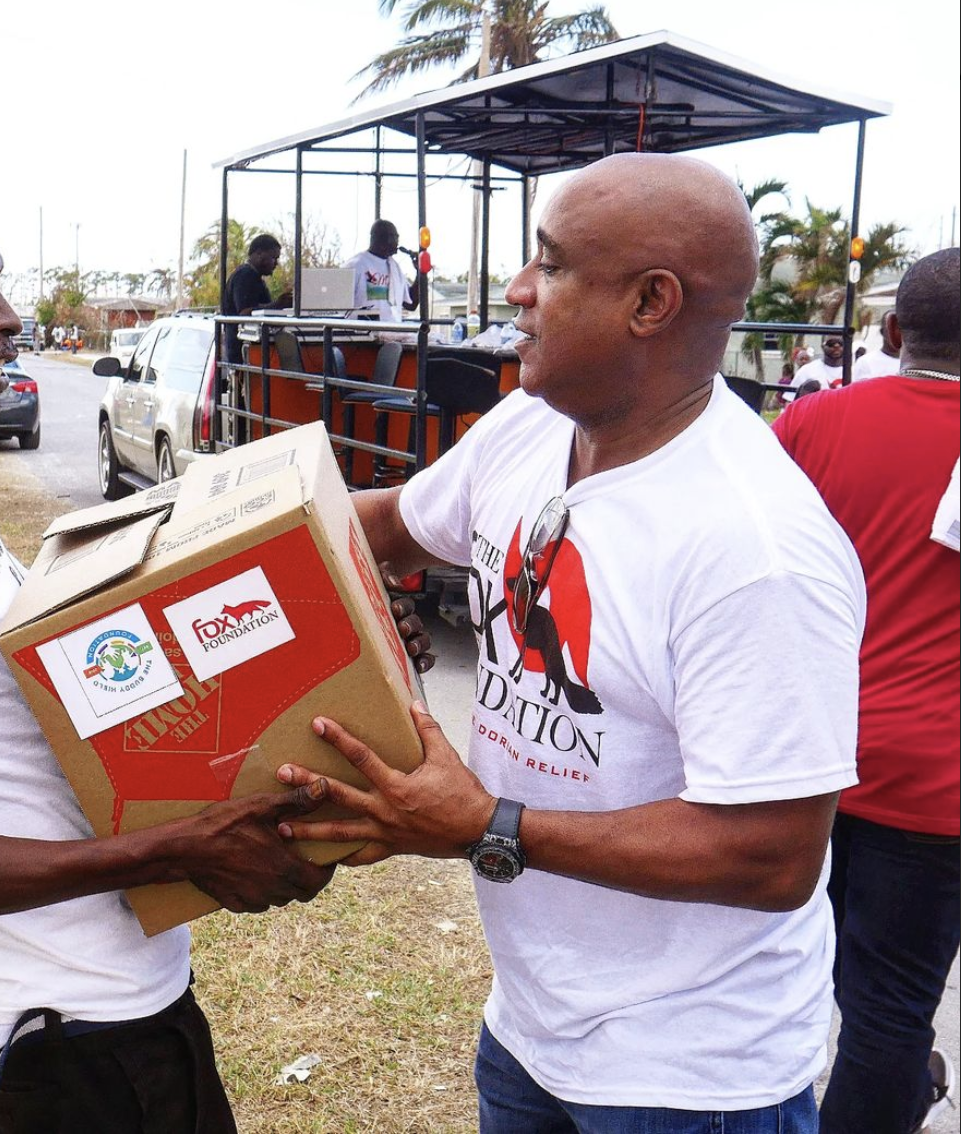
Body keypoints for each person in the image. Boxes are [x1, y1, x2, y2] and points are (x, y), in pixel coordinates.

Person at [276, 152, 865, 1130]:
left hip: (687, 1079)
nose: (515, 291)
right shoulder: (526, 426)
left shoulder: (753, 549)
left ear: (649, 303)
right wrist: (201, 542)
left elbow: (772, 855)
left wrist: (485, 825)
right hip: (529, 1027)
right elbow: (387, 525)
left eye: (547, 266)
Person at [0, 182, 337, 1134]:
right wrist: (174, 850)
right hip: (63, 1046)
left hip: (123, 1006)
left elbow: (42, 715)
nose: (6, 318)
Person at [774, 248, 960, 1134]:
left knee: (777, 976)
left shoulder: (809, 423)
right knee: (886, 1013)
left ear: (891, 332)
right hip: (933, 786)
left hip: (798, 753)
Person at [220, 234, 292, 363]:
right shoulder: (245, 275)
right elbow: (244, 312)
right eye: (273, 258)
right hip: (243, 353)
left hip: (249, 351)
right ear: (259, 253)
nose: (276, 263)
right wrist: (277, 305)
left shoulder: (254, 277)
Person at [344, 219, 417, 323]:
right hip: (363, 333)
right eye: (394, 237)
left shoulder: (395, 267)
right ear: (379, 238)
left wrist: (420, 273)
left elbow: (411, 304)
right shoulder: (356, 265)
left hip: (392, 332)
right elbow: (338, 306)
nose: (397, 242)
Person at [853, 309, 902, 379]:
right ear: (882, 332)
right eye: (890, 328)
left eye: (899, 328)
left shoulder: (915, 363)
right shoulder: (865, 362)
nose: (896, 333)